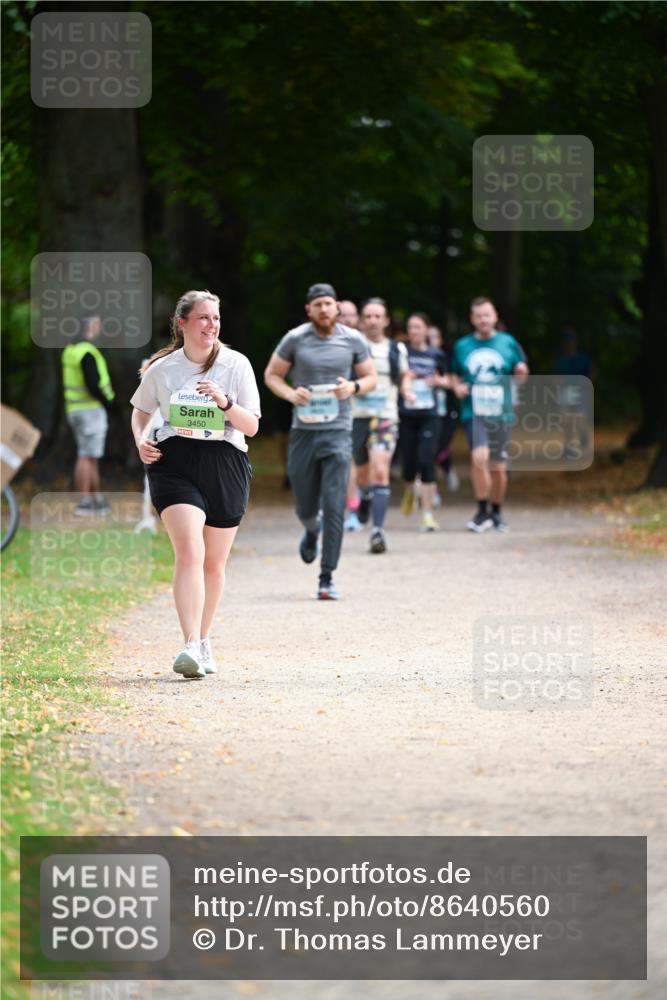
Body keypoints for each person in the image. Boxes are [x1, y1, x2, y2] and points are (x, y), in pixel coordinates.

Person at [130, 290, 261, 679]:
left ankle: (204, 641)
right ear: (182, 323)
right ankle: (188, 644)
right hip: (175, 461)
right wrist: (140, 440)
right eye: (203, 318)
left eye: (216, 318)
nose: (211, 325)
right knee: (189, 549)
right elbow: (140, 413)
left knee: (214, 563)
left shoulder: (236, 365)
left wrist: (224, 403)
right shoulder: (164, 369)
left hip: (225, 461)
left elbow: (251, 426)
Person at [264, 283, 376, 599]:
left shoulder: (352, 339)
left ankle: (327, 577)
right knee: (305, 505)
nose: (324, 309)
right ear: (308, 309)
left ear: (337, 307)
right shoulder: (295, 338)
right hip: (303, 431)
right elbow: (272, 375)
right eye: (318, 305)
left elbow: (371, 378)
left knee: (335, 503)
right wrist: (290, 393)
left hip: (339, 430)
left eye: (328, 303)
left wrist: (352, 388)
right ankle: (312, 530)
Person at [450, 297, 529, 533]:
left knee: (498, 466)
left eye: (487, 315)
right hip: (474, 411)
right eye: (479, 316)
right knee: (479, 457)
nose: (483, 319)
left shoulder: (508, 343)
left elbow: (521, 375)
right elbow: (454, 374)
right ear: (472, 319)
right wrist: (457, 387)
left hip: (501, 413)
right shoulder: (462, 346)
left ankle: (496, 512)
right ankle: (481, 509)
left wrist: (521, 372)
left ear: (495, 317)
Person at [347, 297, 409, 553]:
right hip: (356, 416)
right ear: (362, 320)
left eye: (377, 316)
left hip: (385, 415)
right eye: (368, 316)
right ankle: (366, 497)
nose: (373, 321)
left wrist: (408, 391)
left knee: (380, 471)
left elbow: (403, 376)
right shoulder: (351, 347)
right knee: (362, 474)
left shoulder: (397, 349)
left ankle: (377, 531)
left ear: (385, 321)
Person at [398, 312, 451, 532]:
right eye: (410, 327)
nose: (413, 331)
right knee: (409, 464)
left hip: (430, 415)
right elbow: (396, 378)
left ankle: (427, 513)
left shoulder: (436, 354)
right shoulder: (401, 352)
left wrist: (437, 380)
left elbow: (449, 380)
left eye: (418, 327)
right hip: (406, 415)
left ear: (426, 329)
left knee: (426, 461)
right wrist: (406, 384)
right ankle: (410, 490)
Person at [61, 315, 115, 516]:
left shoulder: (70, 350)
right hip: (90, 410)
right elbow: (93, 384)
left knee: (91, 455)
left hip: (75, 410)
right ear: (90, 327)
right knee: (86, 455)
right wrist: (107, 403)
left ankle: (96, 499)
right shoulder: (87, 352)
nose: (99, 329)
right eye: (97, 325)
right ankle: (84, 501)